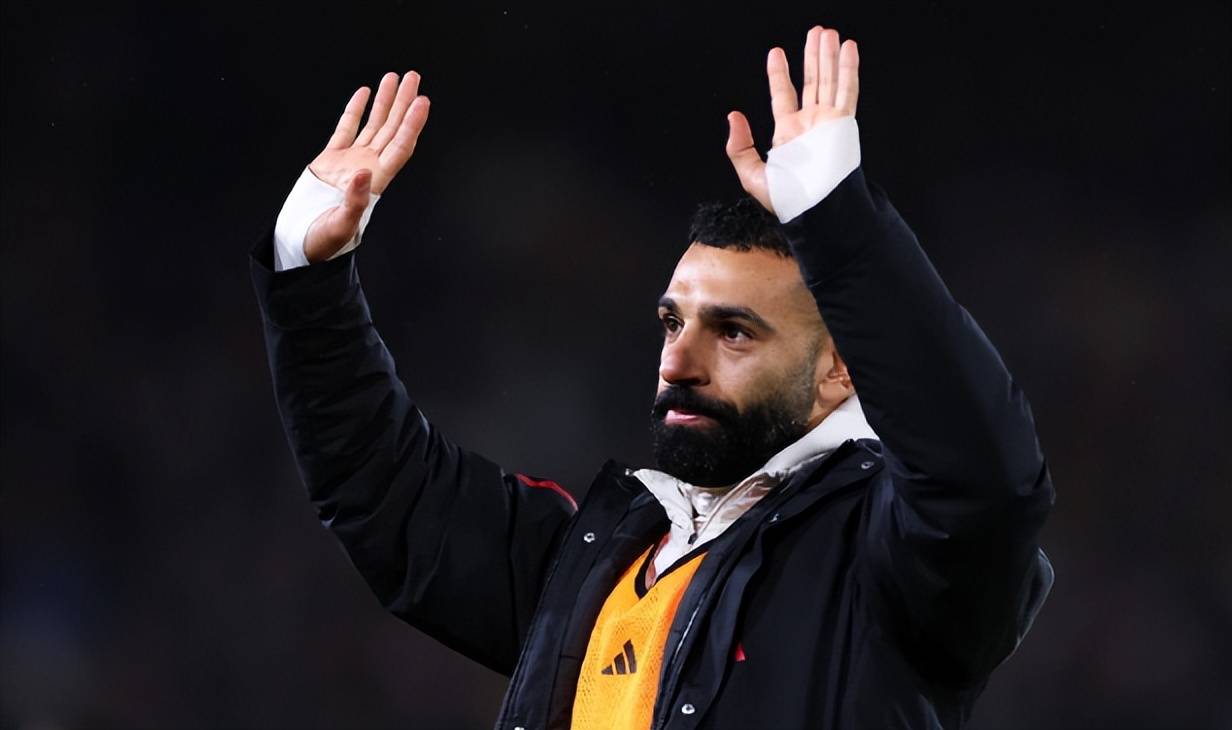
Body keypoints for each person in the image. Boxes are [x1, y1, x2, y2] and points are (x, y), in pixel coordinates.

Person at [251, 25, 1054, 729]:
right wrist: (308, 279)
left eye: (732, 332)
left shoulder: (891, 560)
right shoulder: (605, 556)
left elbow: (985, 481)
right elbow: (387, 494)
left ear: (839, 370)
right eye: (673, 323)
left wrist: (841, 228)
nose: (677, 362)